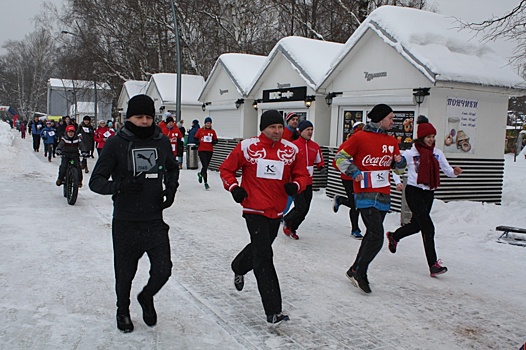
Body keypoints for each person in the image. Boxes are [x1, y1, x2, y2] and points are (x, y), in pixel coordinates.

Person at [89, 94, 179, 333]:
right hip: (126, 220)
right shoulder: (116, 143)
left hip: (153, 219)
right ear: (129, 117)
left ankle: (147, 296)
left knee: (163, 269)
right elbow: (95, 182)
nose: (144, 121)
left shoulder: (160, 141)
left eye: (149, 117)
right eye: (139, 117)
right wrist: (118, 186)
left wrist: (171, 189)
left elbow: (172, 167)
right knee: (125, 273)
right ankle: (122, 310)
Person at [219, 110, 310, 324]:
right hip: (254, 209)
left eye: (280, 127)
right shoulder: (247, 147)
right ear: (263, 128)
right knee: (264, 256)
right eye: (272, 127)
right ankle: (273, 310)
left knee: (260, 247)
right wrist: (234, 188)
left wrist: (296, 185)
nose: (277, 131)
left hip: (276, 210)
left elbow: (302, 174)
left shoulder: (291, 149)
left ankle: (239, 266)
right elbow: (226, 170)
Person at [335, 104, 406, 294]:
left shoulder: (392, 141)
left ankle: (354, 269)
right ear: (380, 118)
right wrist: (353, 172)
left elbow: (398, 169)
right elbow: (340, 158)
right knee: (376, 236)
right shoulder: (359, 137)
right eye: (390, 118)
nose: (393, 121)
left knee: (370, 235)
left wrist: (400, 162)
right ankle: (360, 272)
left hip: (383, 193)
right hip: (364, 192)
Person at [386, 117, 462, 277]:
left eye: (433, 137)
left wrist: (454, 172)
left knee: (417, 225)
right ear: (421, 138)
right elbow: (396, 168)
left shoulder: (437, 153)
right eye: (428, 137)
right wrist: (398, 182)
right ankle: (433, 264)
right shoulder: (410, 153)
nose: (431, 140)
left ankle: (394, 236)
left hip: (429, 192)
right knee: (428, 227)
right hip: (413, 191)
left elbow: (447, 170)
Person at [282, 120, 325, 240]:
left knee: (305, 209)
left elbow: (319, 160)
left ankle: (293, 228)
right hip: (296, 181)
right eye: (308, 130)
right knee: (300, 206)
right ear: (300, 131)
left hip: (308, 182)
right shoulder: (293, 146)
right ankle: (287, 219)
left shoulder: (315, 146)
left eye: (312, 130)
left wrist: (321, 167)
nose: (310, 132)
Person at [332, 122, 365, 239]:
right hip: (348, 178)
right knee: (355, 203)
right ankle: (355, 229)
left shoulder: (366, 144)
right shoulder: (347, 144)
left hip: (362, 177)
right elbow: (335, 162)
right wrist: (348, 169)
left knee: (359, 202)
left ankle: (341, 200)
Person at [194, 117, 218, 190]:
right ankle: (206, 183)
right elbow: (195, 138)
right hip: (202, 150)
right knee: (204, 165)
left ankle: (201, 174)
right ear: (205, 123)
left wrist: (214, 142)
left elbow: (216, 140)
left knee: (206, 166)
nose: (208, 124)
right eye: (207, 123)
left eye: (210, 123)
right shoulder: (200, 130)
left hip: (209, 150)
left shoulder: (212, 131)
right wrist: (197, 142)